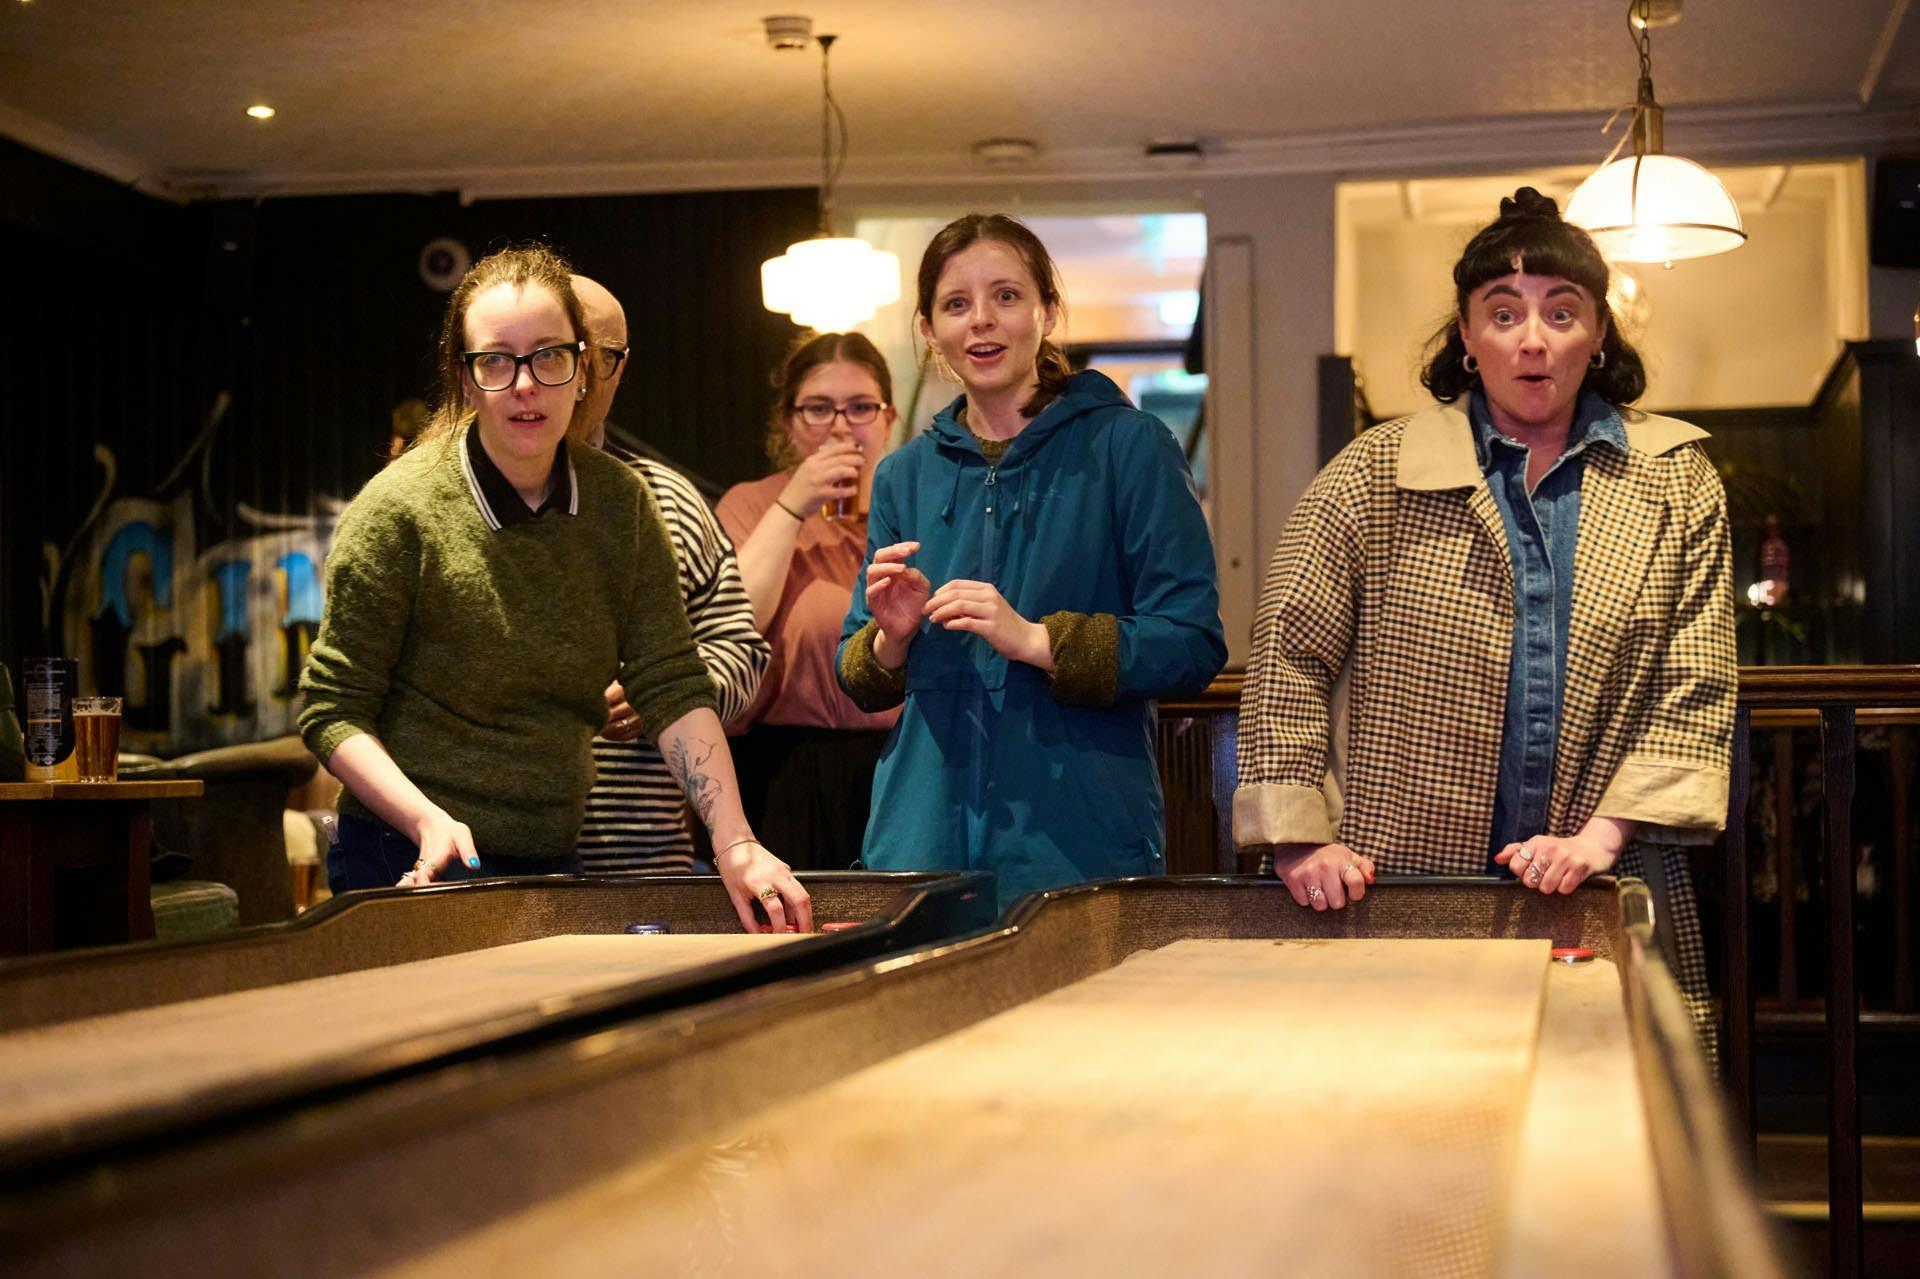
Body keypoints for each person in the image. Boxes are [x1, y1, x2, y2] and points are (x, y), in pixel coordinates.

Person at [1233, 188, 1734, 1048]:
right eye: (1503, 314)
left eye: (1561, 311)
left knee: (1607, 1146)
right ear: (1466, 336)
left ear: (1599, 334)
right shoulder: (1371, 473)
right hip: (1405, 877)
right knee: (1417, 1137)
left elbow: (1697, 680)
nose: (1533, 339)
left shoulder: (1677, 480)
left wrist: (1600, 836)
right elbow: (1288, 652)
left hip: (1607, 881)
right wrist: (1295, 840)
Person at [298, 245, 809, 932]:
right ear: (465, 376)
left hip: (550, 856)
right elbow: (331, 708)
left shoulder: (623, 504)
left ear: (584, 367)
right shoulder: (397, 510)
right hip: (404, 852)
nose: (525, 385)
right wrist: (427, 818)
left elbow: (673, 685)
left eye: (548, 356)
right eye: (496, 361)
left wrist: (735, 839)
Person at [836, 212, 1226, 911]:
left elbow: (1192, 642)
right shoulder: (902, 475)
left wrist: (1038, 639)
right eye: (957, 304)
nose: (981, 322)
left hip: (1078, 850)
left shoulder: (1130, 447)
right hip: (919, 848)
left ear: (1047, 311)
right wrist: (891, 638)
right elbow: (858, 673)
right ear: (929, 330)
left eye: (1007, 297)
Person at [571, 275, 771, 873]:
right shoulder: (465, 499)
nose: (577, 377)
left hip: (645, 857)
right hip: (494, 858)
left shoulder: (667, 498)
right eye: (562, 351)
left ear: (622, 366)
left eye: (598, 357)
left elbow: (742, 650)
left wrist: (669, 693)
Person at [716, 333, 902, 870]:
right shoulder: (752, 504)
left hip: (899, 762)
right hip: (782, 767)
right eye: (819, 408)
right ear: (788, 421)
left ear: (887, 420)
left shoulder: (913, 506)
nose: (841, 426)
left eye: (861, 407)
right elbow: (733, 621)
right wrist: (794, 504)